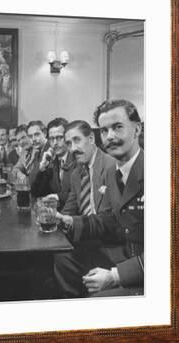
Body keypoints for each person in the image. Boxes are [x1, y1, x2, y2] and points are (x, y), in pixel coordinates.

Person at [54, 100, 144, 297]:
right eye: (104, 130)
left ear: (137, 129)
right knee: (62, 260)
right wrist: (70, 221)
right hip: (120, 254)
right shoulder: (115, 172)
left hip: (145, 272)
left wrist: (115, 275)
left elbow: (172, 251)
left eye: (118, 127)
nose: (110, 136)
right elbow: (110, 218)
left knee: (96, 300)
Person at [62, 120, 115, 216]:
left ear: (91, 138)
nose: (73, 148)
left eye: (77, 140)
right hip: (83, 227)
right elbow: (68, 210)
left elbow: (112, 217)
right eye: (69, 143)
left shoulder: (112, 166)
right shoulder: (76, 174)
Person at [30, 117, 75, 209]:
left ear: (68, 138)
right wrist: (42, 169)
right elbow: (36, 192)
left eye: (59, 138)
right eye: (51, 139)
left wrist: (59, 197)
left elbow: (78, 194)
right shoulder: (53, 161)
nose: (55, 143)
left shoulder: (77, 159)